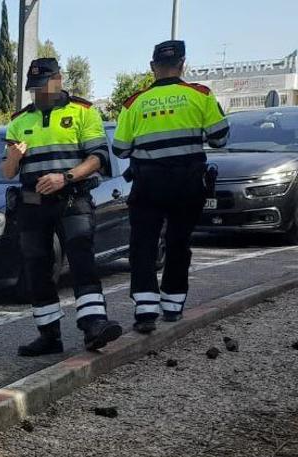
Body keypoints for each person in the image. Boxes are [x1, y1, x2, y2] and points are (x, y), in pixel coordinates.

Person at [1, 57, 123, 356]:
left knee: (82, 261)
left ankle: (94, 326)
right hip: (32, 204)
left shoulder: (83, 112)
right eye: (34, 89)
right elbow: (7, 172)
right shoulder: (19, 120)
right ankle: (49, 336)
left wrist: (65, 177)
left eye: (44, 86)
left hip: (72, 198)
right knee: (37, 268)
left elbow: (98, 159)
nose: (39, 94)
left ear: (59, 79)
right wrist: (15, 157)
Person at [113, 40, 229, 333]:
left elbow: (120, 149)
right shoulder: (199, 95)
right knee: (179, 243)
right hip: (188, 184)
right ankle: (173, 307)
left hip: (149, 183)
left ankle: (145, 311)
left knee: (143, 245)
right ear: (182, 64)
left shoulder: (134, 103)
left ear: (153, 67)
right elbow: (219, 138)